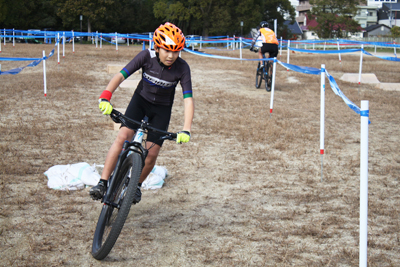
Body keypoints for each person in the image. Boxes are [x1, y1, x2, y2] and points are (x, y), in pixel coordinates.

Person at [89, 22, 194, 203]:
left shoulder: (182, 68)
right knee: (122, 137)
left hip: (161, 110)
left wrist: (186, 128)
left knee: (151, 154)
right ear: (156, 47)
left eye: (176, 51)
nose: (171, 56)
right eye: (167, 50)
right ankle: (103, 182)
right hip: (140, 102)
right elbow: (121, 75)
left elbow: (188, 99)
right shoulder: (146, 56)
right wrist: (105, 97)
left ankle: (135, 186)